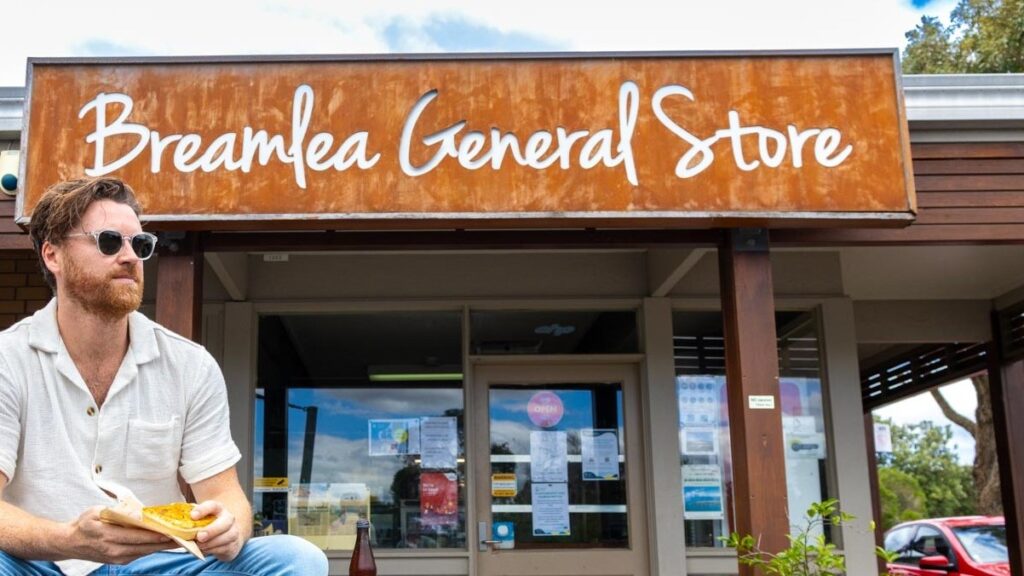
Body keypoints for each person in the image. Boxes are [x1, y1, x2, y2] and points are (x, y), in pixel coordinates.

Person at [0, 177, 329, 575]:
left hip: (155, 566)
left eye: (140, 246)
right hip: (38, 563)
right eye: (108, 241)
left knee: (298, 558)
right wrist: (67, 540)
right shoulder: (9, 358)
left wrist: (230, 528)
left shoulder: (190, 364)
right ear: (53, 255)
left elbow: (226, 494)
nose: (129, 257)